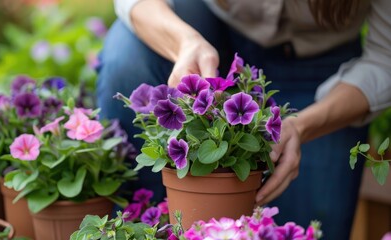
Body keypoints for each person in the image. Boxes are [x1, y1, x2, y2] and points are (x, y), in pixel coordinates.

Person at [96, 0, 391, 238]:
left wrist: (302, 126)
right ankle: (143, 221)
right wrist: (183, 43)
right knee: (128, 63)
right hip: (212, 27)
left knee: (310, 225)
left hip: (319, 66)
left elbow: (385, 60)